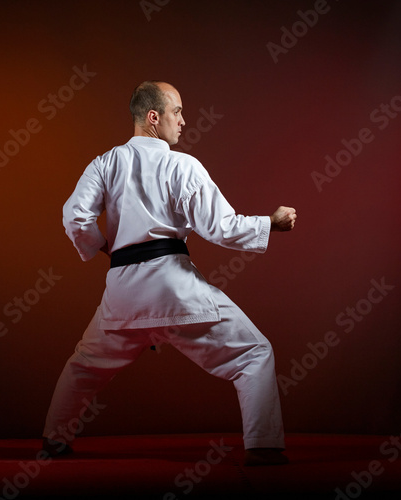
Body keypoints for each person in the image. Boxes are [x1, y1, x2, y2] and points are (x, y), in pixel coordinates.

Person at [42, 81, 297, 466]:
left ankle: (53, 442)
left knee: (84, 367)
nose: (183, 121)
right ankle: (262, 446)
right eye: (177, 112)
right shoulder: (182, 165)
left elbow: (74, 217)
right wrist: (270, 223)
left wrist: (106, 246)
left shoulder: (105, 163)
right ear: (153, 117)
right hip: (174, 289)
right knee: (254, 353)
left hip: (122, 294)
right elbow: (221, 227)